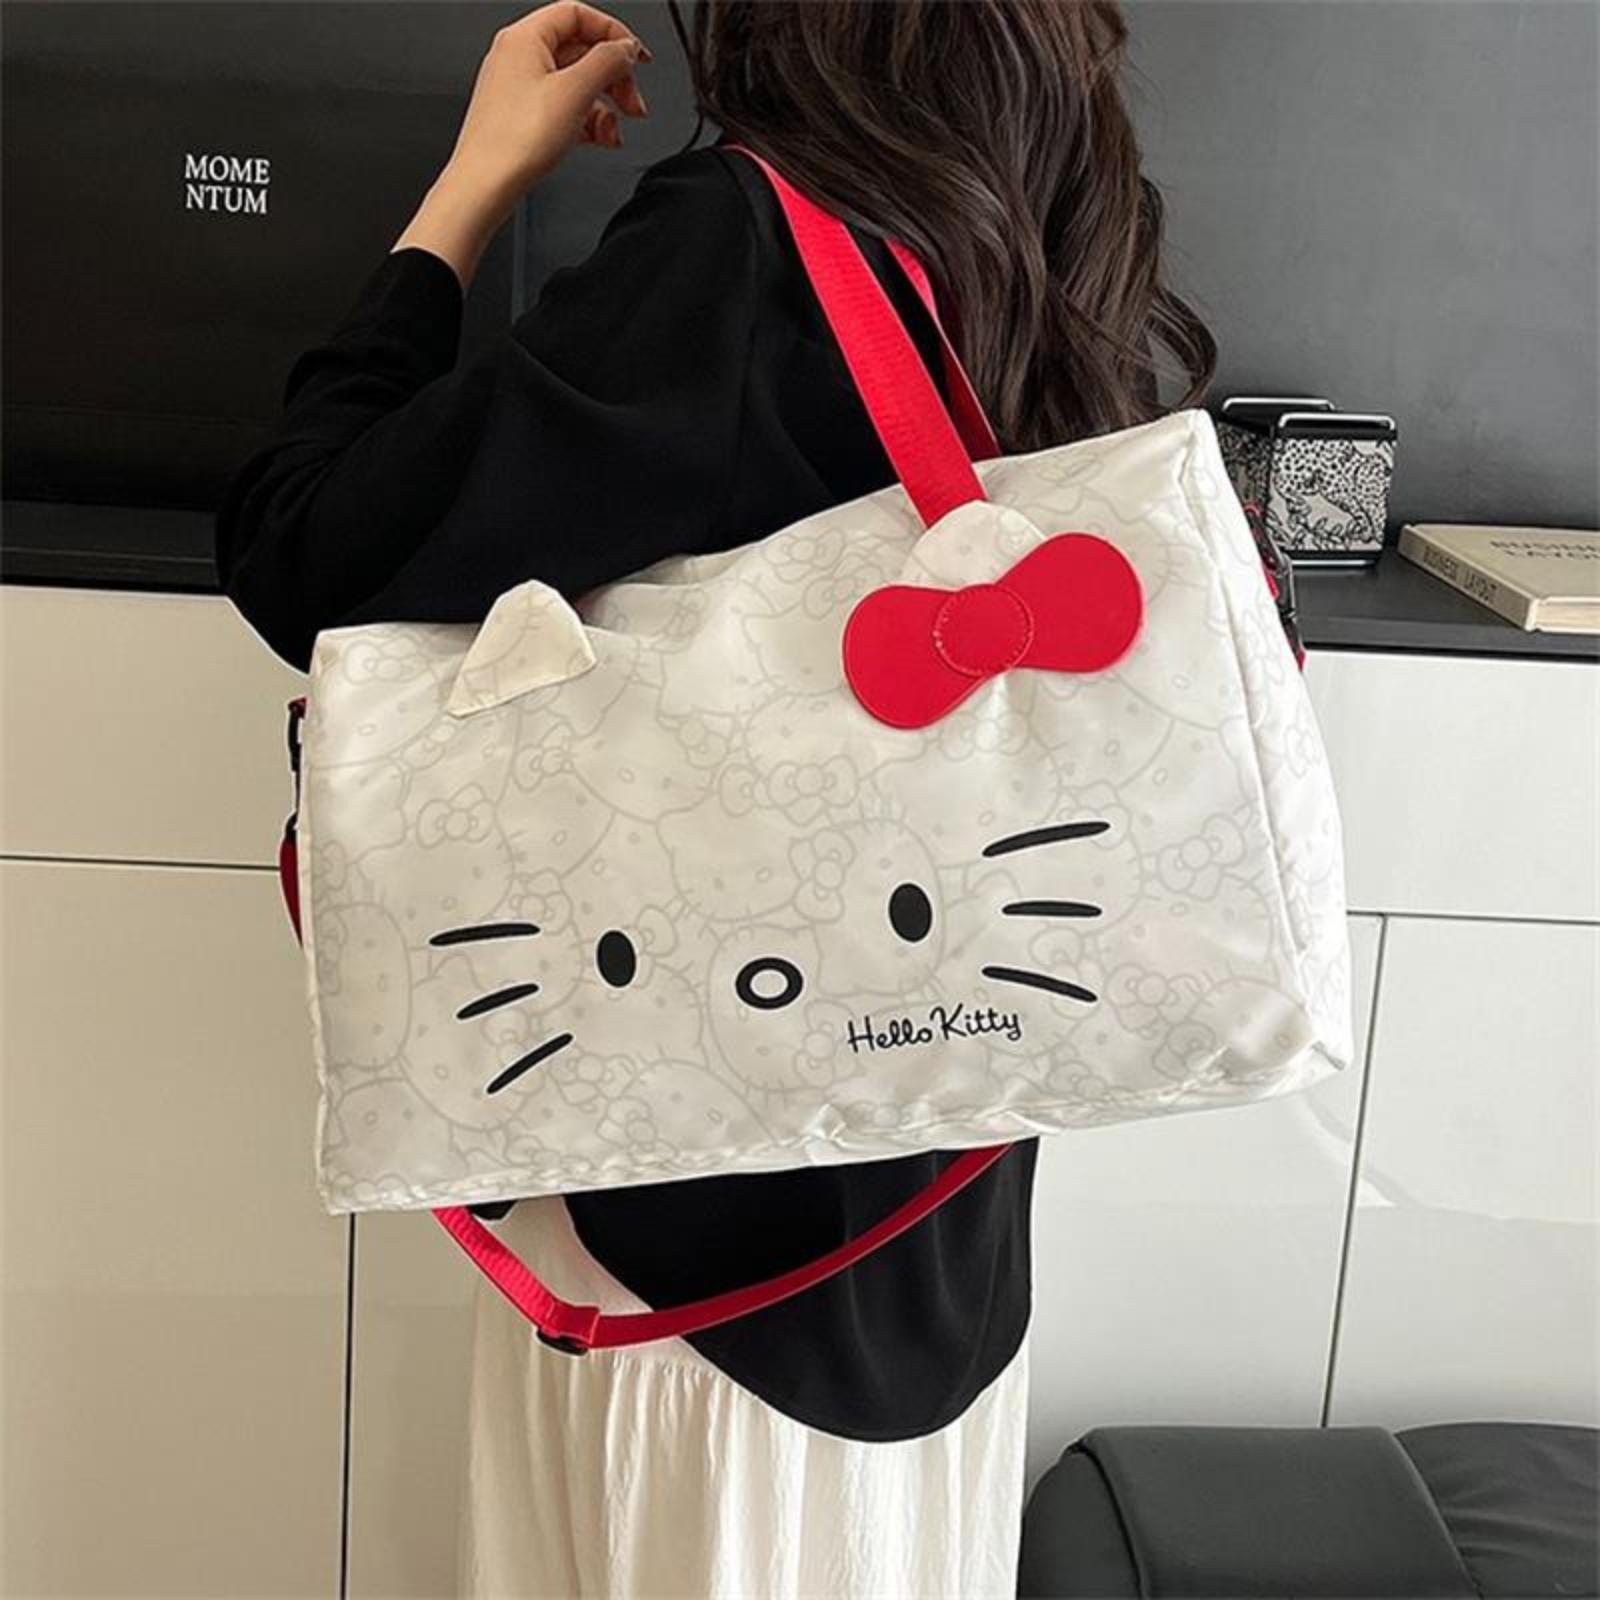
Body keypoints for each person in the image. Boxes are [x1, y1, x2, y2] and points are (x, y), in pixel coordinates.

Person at [216, 3, 1213, 1594]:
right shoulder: (1055, 230)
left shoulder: (749, 247)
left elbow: (309, 548)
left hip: (698, 1291)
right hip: (941, 1253)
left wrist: (473, 187)